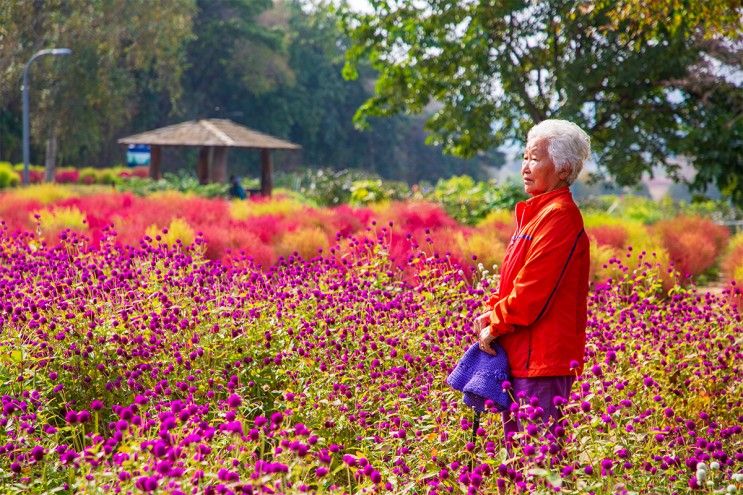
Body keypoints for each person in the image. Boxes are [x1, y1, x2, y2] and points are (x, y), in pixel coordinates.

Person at [474, 119, 591, 445]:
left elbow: (532, 289)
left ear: (563, 169)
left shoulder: (560, 216)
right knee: (520, 461)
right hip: (522, 356)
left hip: (542, 362)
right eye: (525, 157)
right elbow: (516, 280)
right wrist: (492, 311)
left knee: (537, 461)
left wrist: (496, 324)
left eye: (535, 158)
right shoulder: (538, 213)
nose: (525, 167)